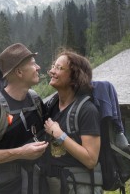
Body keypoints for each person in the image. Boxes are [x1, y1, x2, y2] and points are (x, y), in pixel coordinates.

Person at [0, 43, 49, 193]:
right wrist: (21, 152)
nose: (38, 67)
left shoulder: (35, 100)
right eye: (33, 64)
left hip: (38, 185)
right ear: (19, 72)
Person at [42, 50, 103, 194]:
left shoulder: (87, 110)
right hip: (54, 186)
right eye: (53, 66)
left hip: (78, 187)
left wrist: (59, 134)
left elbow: (91, 159)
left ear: (75, 77)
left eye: (59, 68)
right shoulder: (50, 107)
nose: (52, 71)